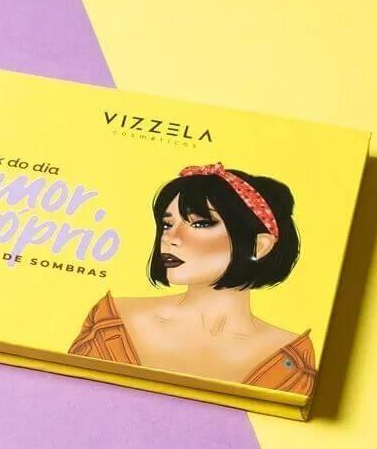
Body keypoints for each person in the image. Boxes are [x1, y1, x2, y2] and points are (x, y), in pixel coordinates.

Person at [70, 163, 314, 394]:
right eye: (167, 224)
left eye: (199, 223)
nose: (170, 238)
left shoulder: (288, 358)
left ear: (259, 246)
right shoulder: (114, 320)